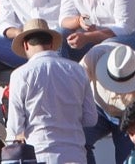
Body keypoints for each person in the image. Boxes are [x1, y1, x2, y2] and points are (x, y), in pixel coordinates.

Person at [7, 19, 97, 164]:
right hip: (75, 154)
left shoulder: (20, 75)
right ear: (50, 44)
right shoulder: (77, 70)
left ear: (25, 45)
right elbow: (91, 119)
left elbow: (15, 126)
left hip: (41, 153)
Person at [82, 42, 135, 164]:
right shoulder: (95, 55)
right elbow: (76, 84)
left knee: (128, 159)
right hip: (97, 108)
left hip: (129, 118)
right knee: (78, 141)